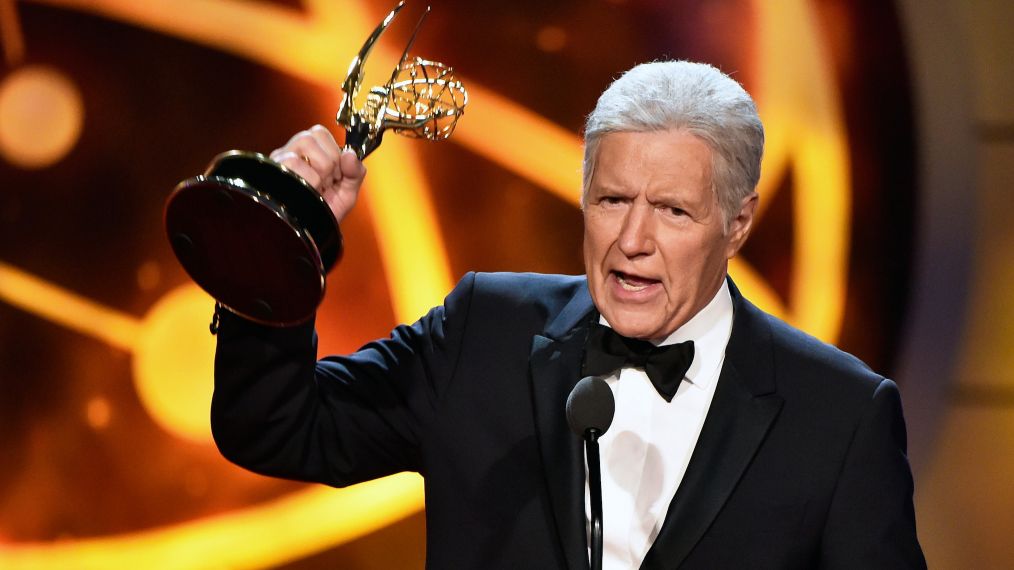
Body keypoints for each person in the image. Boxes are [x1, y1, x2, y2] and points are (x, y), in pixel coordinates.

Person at [211, 61, 926, 569]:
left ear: (737, 224)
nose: (633, 242)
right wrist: (276, 248)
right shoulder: (486, 333)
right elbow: (274, 427)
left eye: (673, 211)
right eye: (613, 200)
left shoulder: (840, 418)